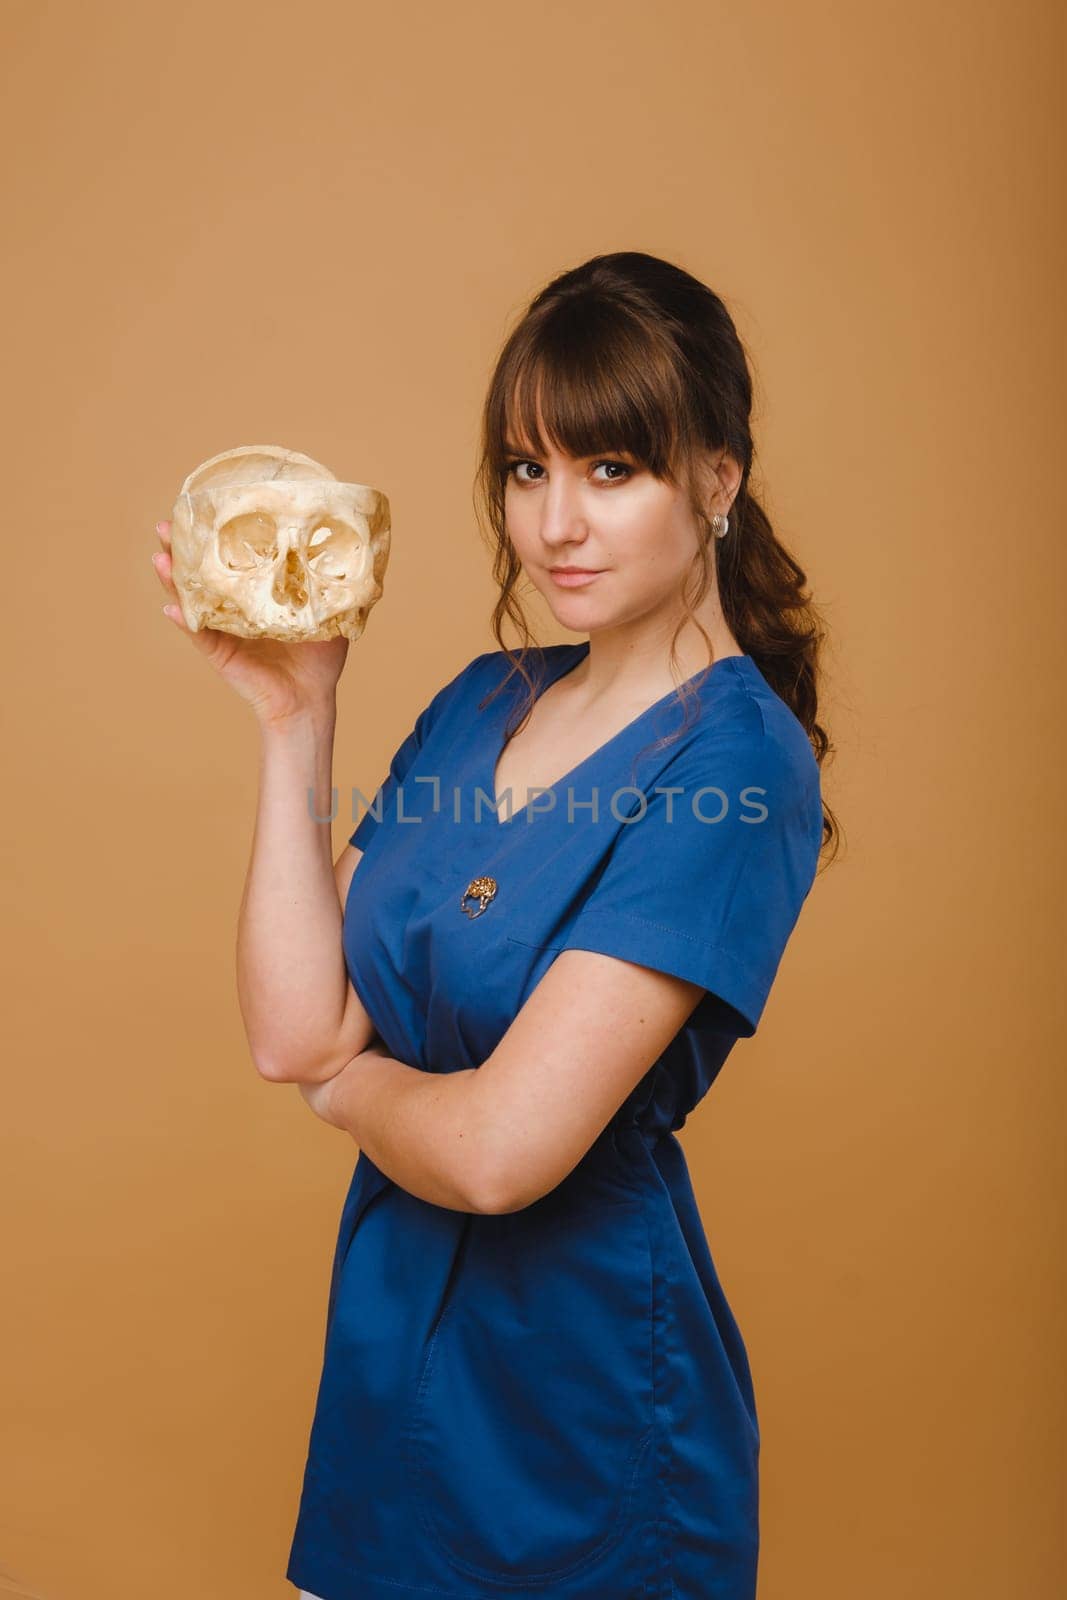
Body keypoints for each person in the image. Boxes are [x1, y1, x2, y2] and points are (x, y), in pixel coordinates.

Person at [153, 249, 839, 1600]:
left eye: (613, 470)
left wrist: (354, 1092)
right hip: (390, 1377)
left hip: (577, 1431)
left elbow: (498, 1155)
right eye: (529, 472)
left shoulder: (736, 764)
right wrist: (297, 720)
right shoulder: (484, 700)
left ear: (719, 478)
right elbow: (298, 1028)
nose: (557, 526)